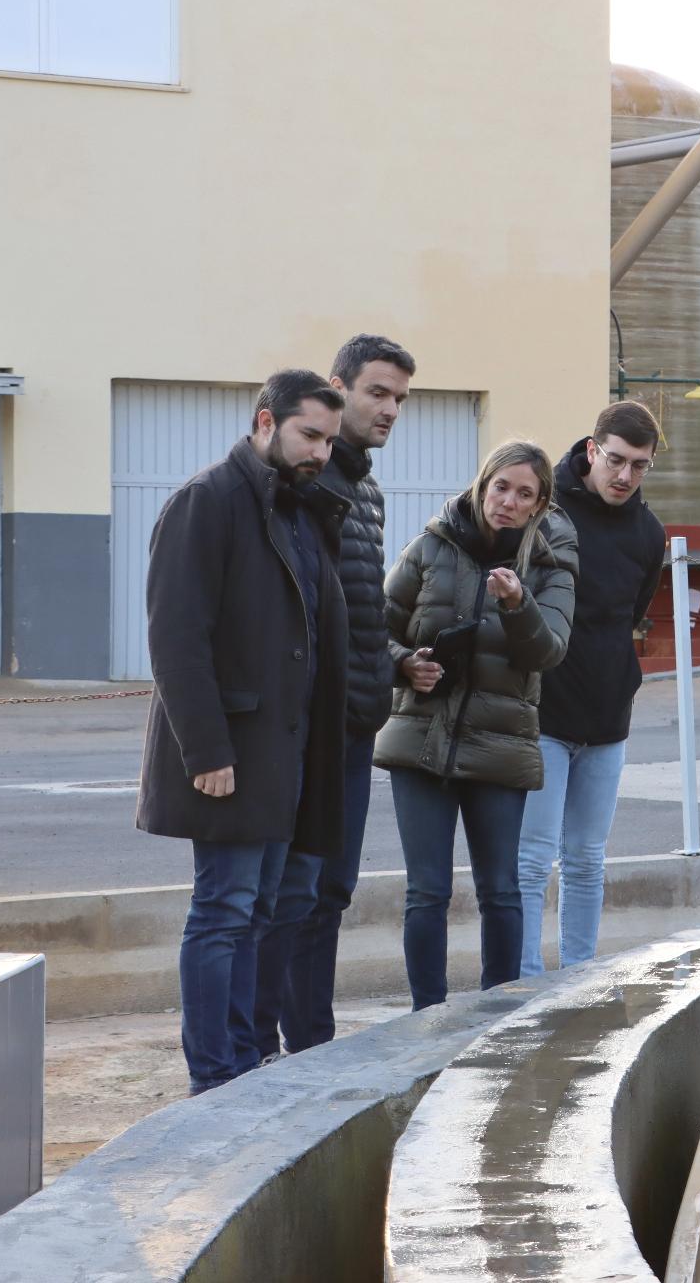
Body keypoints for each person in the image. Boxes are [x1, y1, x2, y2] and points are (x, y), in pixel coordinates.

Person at [134, 369, 349, 1095]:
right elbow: (175, 638)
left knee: (259, 911)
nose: (320, 451)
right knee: (223, 911)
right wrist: (206, 751)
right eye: (309, 434)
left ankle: (243, 1060)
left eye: (328, 439)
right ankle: (214, 1076)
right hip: (232, 751)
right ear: (266, 423)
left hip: (285, 752)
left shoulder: (301, 510)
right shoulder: (207, 502)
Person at [253, 335, 416, 1057]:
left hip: (355, 723)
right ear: (338, 386)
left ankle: (309, 1046)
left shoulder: (367, 489)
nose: (388, 409)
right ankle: (265, 1045)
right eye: (376, 392)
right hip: (308, 726)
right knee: (292, 897)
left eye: (399, 400)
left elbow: (360, 608)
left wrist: (397, 661)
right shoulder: (309, 486)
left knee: (330, 894)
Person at [376, 441, 577, 1007]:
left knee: (501, 891)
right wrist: (402, 663)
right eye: (500, 487)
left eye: (524, 494)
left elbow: (549, 651)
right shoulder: (430, 547)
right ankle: (426, 1018)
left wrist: (518, 605)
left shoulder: (547, 563)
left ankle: (497, 1017)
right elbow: (374, 629)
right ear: (481, 485)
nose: (508, 502)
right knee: (426, 892)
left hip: (500, 746)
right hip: (420, 741)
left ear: (539, 506)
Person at [517, 401, 666, 976]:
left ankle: (579, 976)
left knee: (586, 859)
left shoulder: (648, 533)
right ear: (591, 450)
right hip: (543, 715)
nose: (625, 476)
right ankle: (524, 981)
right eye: (616, 460)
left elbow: (634, 614)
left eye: (639, 466)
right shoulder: (545, 511)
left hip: (608, 721)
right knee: (531, 859)